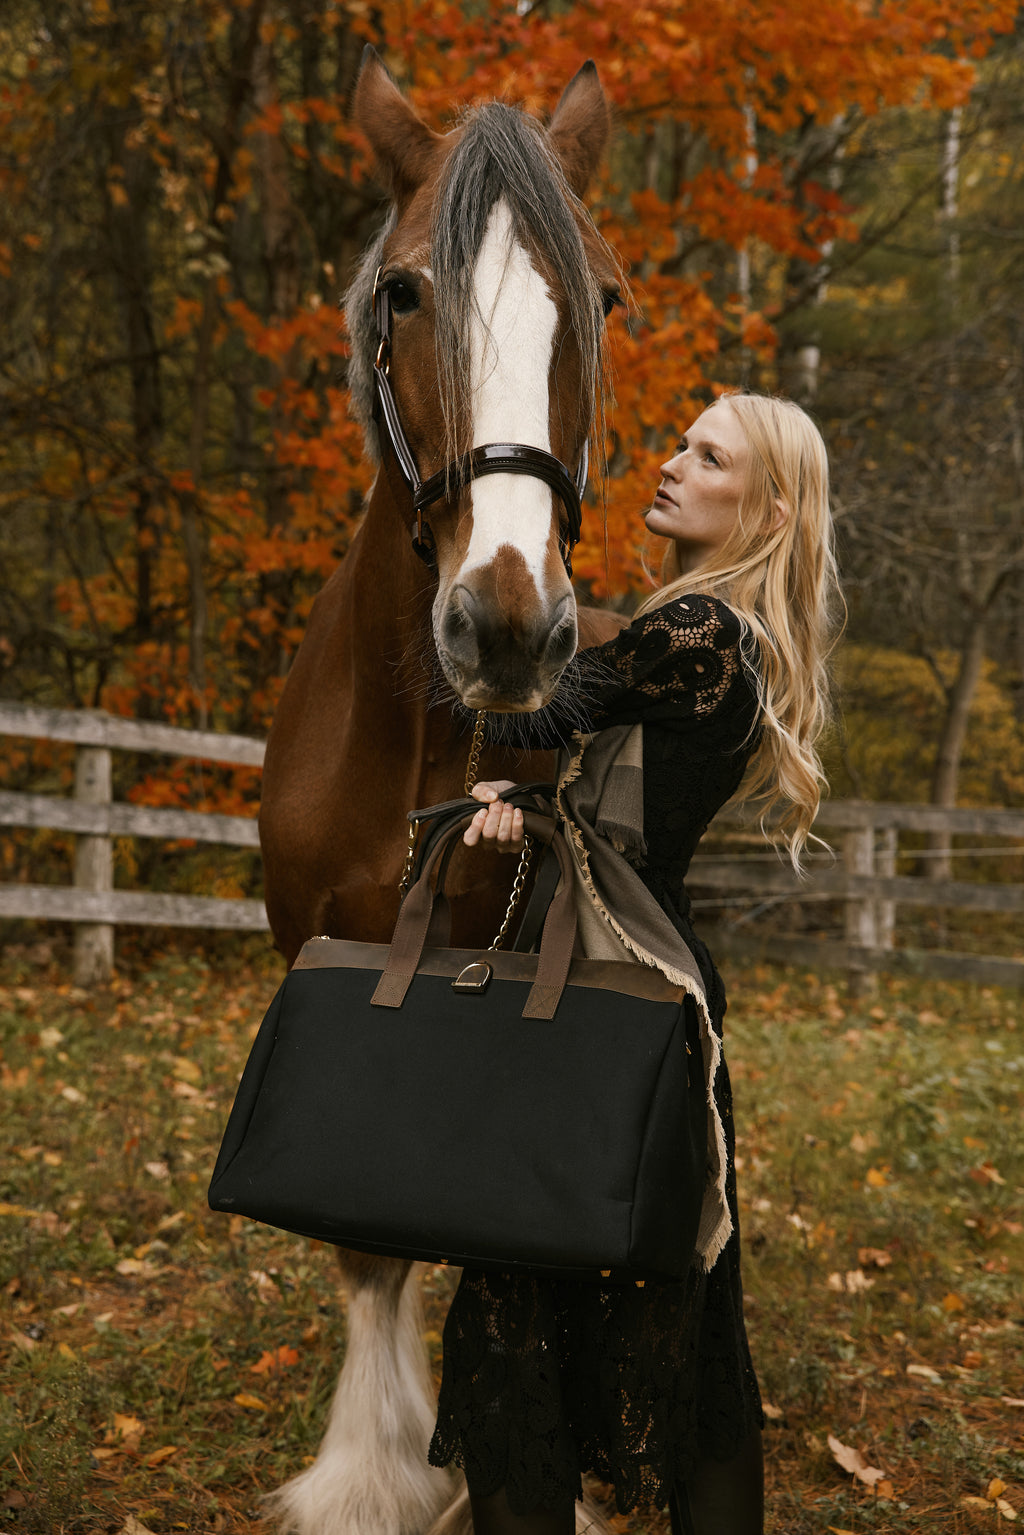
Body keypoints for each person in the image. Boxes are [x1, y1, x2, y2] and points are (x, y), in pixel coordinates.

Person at [427, 390, 840, 1535]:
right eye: (679, 441)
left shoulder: (696, 633)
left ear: (759, 505)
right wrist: (527, 797)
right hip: (636, 967)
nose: (668, 464)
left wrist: (465, 555)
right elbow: (575, 759)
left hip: (608, 975)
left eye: (705, 457)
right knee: (675, 1309)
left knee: (517, 1293)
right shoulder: (705, 633)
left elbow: (517, 705)